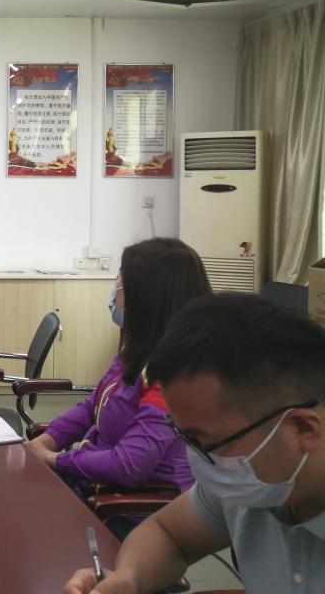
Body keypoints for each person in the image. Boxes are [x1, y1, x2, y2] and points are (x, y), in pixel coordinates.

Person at [64, 294, 325, 594]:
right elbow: (168, 534)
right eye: (188, 438)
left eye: (209, 442)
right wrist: (129, 579)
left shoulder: (257, 474)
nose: (197, 459)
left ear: (303, 428)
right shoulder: (253, 481)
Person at [29, 238, 210, 503]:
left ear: (148, 296)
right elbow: (92, 406)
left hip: (130, 508)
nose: (115, 287)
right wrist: (48, 440)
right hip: (94, 485)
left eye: (121, 278)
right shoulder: (138, 352)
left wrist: (54, 459)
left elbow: (128, 466)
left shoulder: (170, 376)